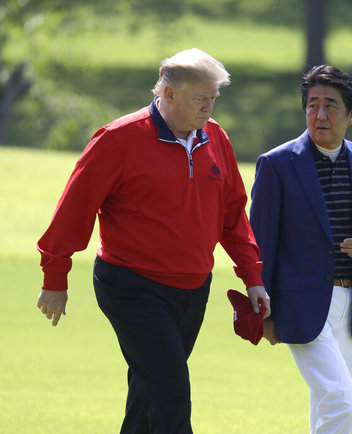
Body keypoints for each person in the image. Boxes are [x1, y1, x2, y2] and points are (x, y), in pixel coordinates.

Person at [36, 48, 270, 434]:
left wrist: (252, 276)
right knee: (172, 395)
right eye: (201, 99)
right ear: (168, 93)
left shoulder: (216, 139)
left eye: (213, 99)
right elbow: (73, 211)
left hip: (193, 288)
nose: (209, 108)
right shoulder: (118, 139)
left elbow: (232, 217)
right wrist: (54, 277)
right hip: (131, 285)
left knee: (149, 398)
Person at [249, 65, 352, 433]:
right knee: (343, 406)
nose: (320, 115)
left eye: (331, 106)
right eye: (312, 105)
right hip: (300, 305)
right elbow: (259, 243)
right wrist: (262, 312)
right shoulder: (276, 164)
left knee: (326, 407)